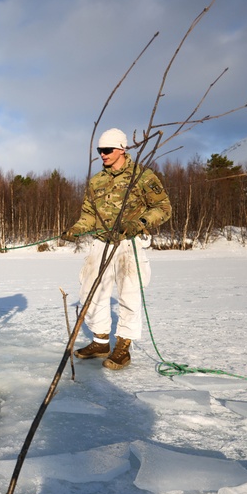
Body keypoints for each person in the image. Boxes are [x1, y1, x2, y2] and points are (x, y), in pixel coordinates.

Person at [61, 128, 171, 370]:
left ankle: (123, 346)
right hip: (100, 242)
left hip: (128, 243)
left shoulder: (142, 176)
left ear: (122, 149)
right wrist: (76, 229)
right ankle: (100, 341)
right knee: (91, 290)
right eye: (100, 150)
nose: (103, 155)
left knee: (129, 292)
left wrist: (138, 223)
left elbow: (163, 208)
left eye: (107, 150)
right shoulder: (96, 181)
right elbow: (88, 216)